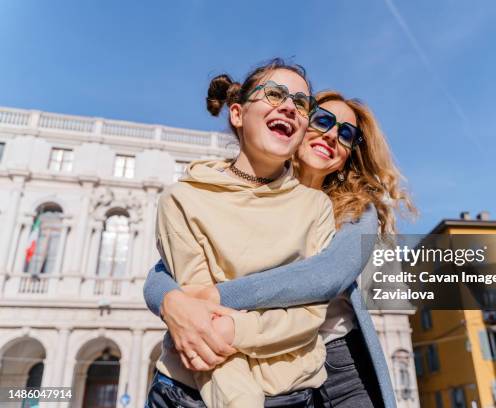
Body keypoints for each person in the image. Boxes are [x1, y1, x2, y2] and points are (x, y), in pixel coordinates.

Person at [145, 88, 415, 407]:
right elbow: (169, 264)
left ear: (349, 154)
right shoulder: (249, 191)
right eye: (323, 121)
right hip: (271, 361)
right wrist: (169, 300)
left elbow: (325, 276)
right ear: (299, 126)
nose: (331, 135)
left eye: (346, 134)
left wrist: (214, 296)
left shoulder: (359, 210)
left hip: (340, 362)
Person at [149, 58, 336, 408]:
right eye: (275, 94)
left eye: (301, 103)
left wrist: (235, 329)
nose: (290, 108)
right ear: (237, 114)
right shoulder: (182, 199)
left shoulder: (316, 207)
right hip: (190, 394)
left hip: (294, 396)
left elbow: (310, 313)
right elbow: (198, 323)